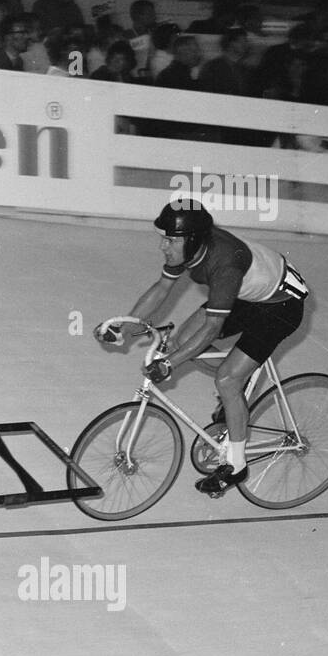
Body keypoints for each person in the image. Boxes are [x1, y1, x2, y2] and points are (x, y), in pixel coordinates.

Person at [94, 201, 310, 498]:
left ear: (191, 240)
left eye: (169, 239)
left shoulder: (225, 265)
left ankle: (236, 464)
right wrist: (125, 328)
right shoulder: (191, 248)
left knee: (226, 379)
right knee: (184, 342)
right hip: (248, 295)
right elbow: (161, 289)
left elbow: (210, 328)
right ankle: (240, 385)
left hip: (280, 307)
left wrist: (169, 364)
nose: (163, 246)